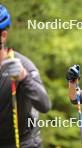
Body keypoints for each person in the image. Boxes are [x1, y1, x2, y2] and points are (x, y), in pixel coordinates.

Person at [0, 5, 51, 148]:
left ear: (3, 36)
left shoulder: (24, 65)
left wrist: (24, 77)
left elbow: (44, 105)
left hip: (22, 143)